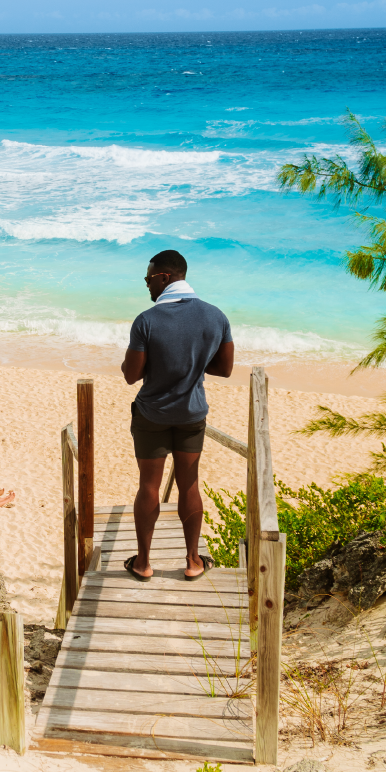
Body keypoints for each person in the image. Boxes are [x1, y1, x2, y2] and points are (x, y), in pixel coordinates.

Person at [121, 249, 234, 581]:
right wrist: (193, 365)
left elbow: (131, 374)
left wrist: (149, 363)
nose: (147, 287)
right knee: (190, 485)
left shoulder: (147, 320)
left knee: (149, 486)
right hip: (191, 415)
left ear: (164, 277)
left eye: (148, 280)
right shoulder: (216, 316)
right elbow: (225, 369)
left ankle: (143, 563)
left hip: (152, 414)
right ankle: (192, 561)